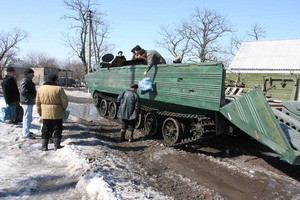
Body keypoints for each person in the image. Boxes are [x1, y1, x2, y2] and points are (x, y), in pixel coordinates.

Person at [36, 74, 69, 151]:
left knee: (45, 129)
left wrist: (39, 112)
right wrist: (62, 108)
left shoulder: (40, 89)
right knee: (57, 128)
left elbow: (37, 102)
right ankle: (56, 145)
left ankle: (44, 146)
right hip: (57, 112)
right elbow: (65, 101)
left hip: (45, 112)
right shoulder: (59, 89)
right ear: (56, 80)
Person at [20, 68, 36, 139]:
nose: (33, 75)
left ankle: (26, 131)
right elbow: (24, 91)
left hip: (28, 101)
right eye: (32, 74)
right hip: (26, 101)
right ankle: (25, 133)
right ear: (28, 74)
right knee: (27, 117)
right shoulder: (25, 81)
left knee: (28, 117)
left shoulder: (28, 81)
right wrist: (32, 97)